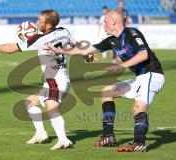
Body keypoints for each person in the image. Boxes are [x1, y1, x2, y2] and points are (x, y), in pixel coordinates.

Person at [45, 10, 165, 152]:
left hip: (153, 74)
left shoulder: (132, 33)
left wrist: (121, 66)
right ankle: (108, 136)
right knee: (106, 92)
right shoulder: (111, 40)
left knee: (138, 108)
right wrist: (61, 52)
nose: (104, 25)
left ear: (114, 22)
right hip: (140, 77)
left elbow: (143, 54)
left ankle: (139, 143)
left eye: (106, 22)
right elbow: (86, 50)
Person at [0, 10, 76, 150]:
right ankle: (41, 134)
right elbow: (75, 45)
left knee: (51, 107)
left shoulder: (39, 40)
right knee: (30, 102)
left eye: (39, 21)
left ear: (49, 25)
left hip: (55, 80)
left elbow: (11, 48)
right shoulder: (63, 31)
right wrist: (88, 56)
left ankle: (63, 140)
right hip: (56, 79)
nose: (36, 22)